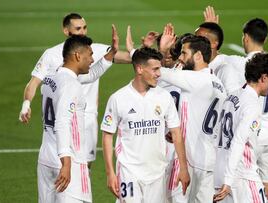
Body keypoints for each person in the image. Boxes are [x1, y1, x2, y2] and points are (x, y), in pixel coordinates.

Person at [19, 13, 129, 165]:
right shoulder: (51, 55)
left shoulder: (94, 49)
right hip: (63, 118)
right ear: (66, 31)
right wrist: (26, 105)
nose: (82, 32)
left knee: (85, 165)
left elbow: (124, 58)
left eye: (84, 27)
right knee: (65, 164)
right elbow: (33, 83)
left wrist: (144, 52)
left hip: (88, 117)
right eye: (78, 28)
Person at [101, 47, 190, 203]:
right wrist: (110, 173)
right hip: (129, 171)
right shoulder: (118, 98)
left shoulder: (164, 97)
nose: (159, 74)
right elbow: (107, 135)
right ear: (140, 69)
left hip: (157, 173)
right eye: (155, 69)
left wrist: (183, 168)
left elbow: (176, 133)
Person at [225, 18, 268, 203]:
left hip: (252, 134)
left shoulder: (242, 65)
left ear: (245, 37)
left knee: (244, 187)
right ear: (265, 39)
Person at [159, 32, 227, 203]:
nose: (180, 58)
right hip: (208, 159)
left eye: (184, 53)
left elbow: (155, 71)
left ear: (197, 56)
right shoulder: (218, 84)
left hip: (189, 159)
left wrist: (138, 52)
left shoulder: (194, 78)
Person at [38, 35, 97, 203]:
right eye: (90, 54)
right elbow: (62, 122)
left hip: (46, 156)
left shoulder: (51, 78)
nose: (92, 60)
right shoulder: (71, 85)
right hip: (68, 160)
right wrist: (66, 162)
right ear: (78, 56)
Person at [214, 53, 268, 203]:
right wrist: (229, 180)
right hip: (241, 177)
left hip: (220, 172)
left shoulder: (232, 97)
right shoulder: (252, 106)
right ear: (263, 78)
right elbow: (238, 140)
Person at [194, 22, 242, 94]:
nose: (193, 43)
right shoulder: (192, 63)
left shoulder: (228, 66)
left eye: (200, 39)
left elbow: (234, 100)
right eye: (194, 38)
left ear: (214, 44)